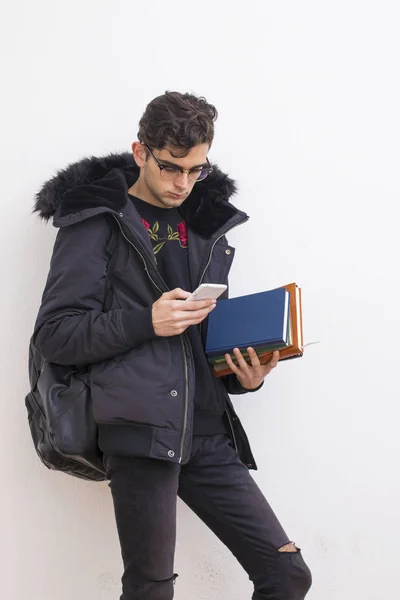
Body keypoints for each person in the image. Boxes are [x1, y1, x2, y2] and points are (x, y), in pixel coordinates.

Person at [32, 91, 312, 600]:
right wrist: (146, 321)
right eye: (170, 168)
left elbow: (195, 334)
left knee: (288, 575)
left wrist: (238, 374)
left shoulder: (206, 223)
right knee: (151, 590)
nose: (183, 183)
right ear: (140, 153)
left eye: (196, 170)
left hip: (206, 427)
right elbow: (57, 334)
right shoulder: (97, 221)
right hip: (138, 428)